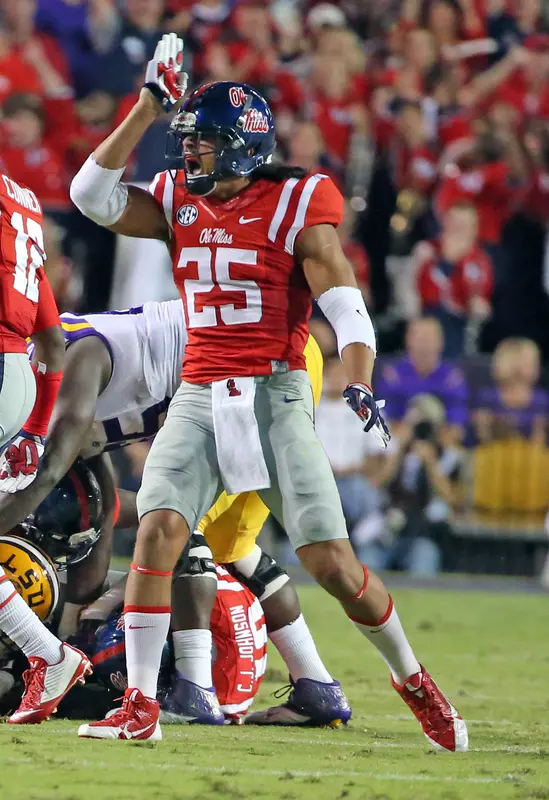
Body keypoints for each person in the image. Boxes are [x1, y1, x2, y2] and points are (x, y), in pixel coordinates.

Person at [70, 34, 468, 751]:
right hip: (198, 389)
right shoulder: (176, 203)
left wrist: (359, 369)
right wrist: (146, 109)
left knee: (332, 565)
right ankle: (138, 704)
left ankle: (414, 681)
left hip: (275, 393)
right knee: (159, 529)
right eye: (186, 141)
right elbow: (88, 196)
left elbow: (340, 294)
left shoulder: (295, 199)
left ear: (241, 146)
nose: (186, 154)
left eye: (201, 142)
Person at [0, 299, 350, 727]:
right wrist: (74, 621)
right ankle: (317, 685)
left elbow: (55, 470)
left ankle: (195, 689)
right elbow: (102, 505)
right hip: (251, 364)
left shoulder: (78, 355)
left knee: (183, 521)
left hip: (261, 357)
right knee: (227, 543)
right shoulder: (48, 393)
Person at [0, 169, 91, 723]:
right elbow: (52, 338)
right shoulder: (22, 203)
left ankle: (49, 654)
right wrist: (34, 426)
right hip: (18, 376)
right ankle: (47, 654)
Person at [378, 317, 468, 445]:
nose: (424, 345)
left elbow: (457, 427)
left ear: (441, 342)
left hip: (440, 443)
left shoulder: (452, 378)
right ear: (408, 340)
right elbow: (386, 422)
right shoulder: (393, 376)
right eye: (420, 338)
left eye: (429, 339)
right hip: (400, 443)